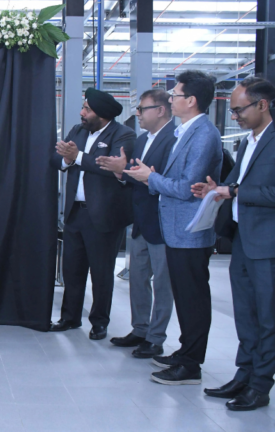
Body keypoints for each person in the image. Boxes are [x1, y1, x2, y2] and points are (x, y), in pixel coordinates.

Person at [124, 70, 222, 385]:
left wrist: (149, 177)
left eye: (176, 94)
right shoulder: (186, 131)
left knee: (193, 299)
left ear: (190, 101)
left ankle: (191, 363)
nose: (172, 99)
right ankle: (185, 352)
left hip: (190, 230)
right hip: (177, 229)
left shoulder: (203, 134)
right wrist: (152, 175)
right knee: (184, 296)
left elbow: (185, 187)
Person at [192, 76, 275, 410]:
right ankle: (244, 375)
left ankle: (260, 384)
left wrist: (236, 191)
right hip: (242, 239)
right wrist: (217, 187)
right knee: (245, 314)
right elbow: (237, 182)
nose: (235, 115)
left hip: (267, 244)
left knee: (267, 317)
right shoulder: (248, 141)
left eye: (240, 109)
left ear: (263, 105)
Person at [50, 88, 135, 340]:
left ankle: (99, 322)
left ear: (102, 113)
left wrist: (77, 157)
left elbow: (110, 167)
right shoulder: (78, 131)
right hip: (76, 214)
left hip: (104, 216)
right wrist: (66, 160)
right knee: (72, 270)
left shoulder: (124, 135)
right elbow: (57, 159)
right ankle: (69, 317)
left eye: (86, 109)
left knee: (101, 273)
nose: (82, 113)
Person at [97, 89, 177, 359]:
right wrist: (121, 170)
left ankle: (156, 338)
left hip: (163, 222)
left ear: (162, 110)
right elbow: (135, 174)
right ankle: (140, 329)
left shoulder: (174, 139)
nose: (138, 114)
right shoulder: (143, 140)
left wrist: (142, 175)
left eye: (142, 109)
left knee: (162, 283)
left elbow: (167, 179)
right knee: (138, 278)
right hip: (141, 220)